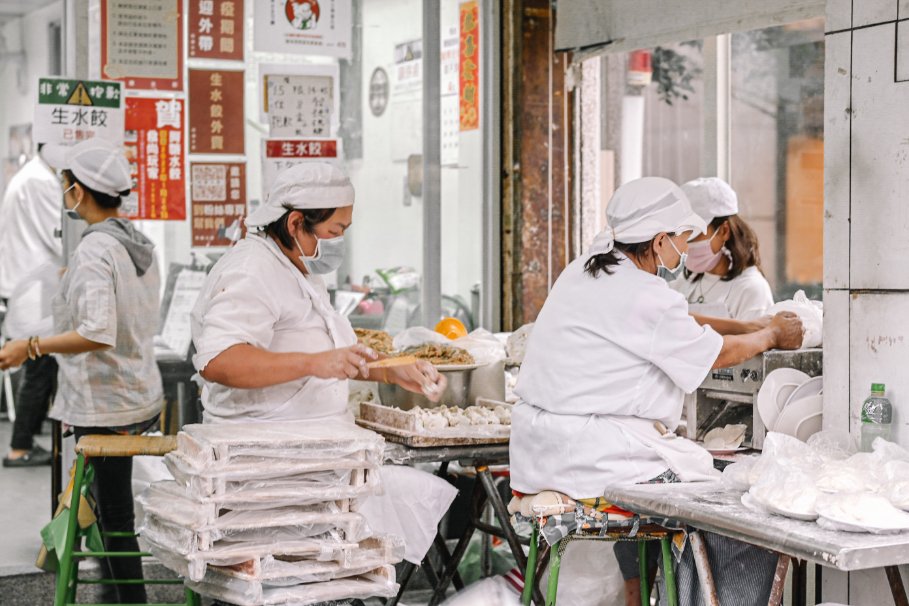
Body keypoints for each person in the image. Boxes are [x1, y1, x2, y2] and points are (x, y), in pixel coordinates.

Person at [508, 177, 803, 606]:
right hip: (594, 455)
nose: (684, 250)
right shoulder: (642, 292)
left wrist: (753, 325)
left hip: (543, 450)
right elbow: (714, 354)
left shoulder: (585, 269)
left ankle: (645, 594)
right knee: (738, 507)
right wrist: (772, 335)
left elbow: (677, 320)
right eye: (682, 239)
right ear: (659, 240)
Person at [190, 163, 454, 578]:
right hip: (267, 475)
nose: (339, 241)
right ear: (296, 222)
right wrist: (316, 363)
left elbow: (328, 355)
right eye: (334, 230)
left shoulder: (300, 269)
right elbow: (219, 361)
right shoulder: (251, 269)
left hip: (316, 469)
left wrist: (388, 371)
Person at [0, 138, 163, 603]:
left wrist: (28, 346)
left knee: (114, 517)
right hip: (136, 392)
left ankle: (128, 598)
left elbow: (97, 332)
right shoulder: (134, 242)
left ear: (80, 190)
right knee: (112, 511)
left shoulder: (97, 251)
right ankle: (116, 594)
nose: (64, 191)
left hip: (105, 402)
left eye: (66, 184)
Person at [0, 147, 62, 466]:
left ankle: (28, 436)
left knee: (40, 363)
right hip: (33, 288)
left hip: (28, 285)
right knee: (38, 364)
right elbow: (59, 235)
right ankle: (19, 447)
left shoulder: (31, 176)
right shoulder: (39, 181)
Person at [670, 177, 774, 320]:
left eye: (693, 236)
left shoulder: (751, 290)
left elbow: (755, 340)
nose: (686, 246)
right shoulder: (682, 283)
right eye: (682, 236)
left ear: (724, 231)